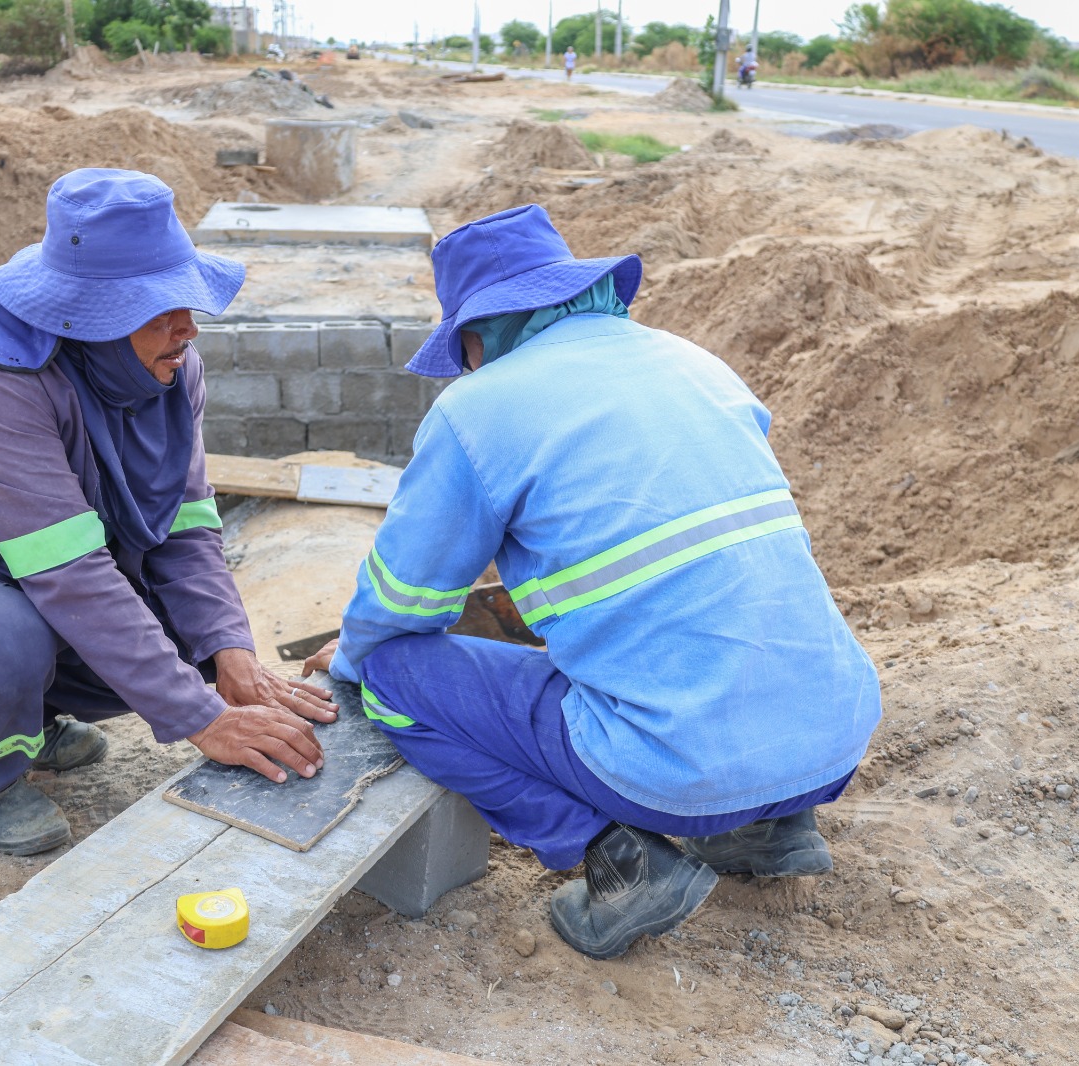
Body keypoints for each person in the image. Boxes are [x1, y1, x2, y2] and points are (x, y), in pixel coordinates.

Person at [303, 205, 880, 960]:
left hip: (681, 766)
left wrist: (346, 661)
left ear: (479, 332)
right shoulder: (693, 362)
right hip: (834, 733)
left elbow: (406, 599)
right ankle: (773, 829)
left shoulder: (478, 410)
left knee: (392, 676)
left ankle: (622, 859)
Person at [0, 169, 333, 856]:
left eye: (187, 300)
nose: (189, 328)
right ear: (89, 311)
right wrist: (202, 719)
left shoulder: (164, 368)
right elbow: (71, 575)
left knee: (184, 631)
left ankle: (30, 717)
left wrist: (231, 657)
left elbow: (185, 525)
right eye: (160, 306)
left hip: (19, 565)